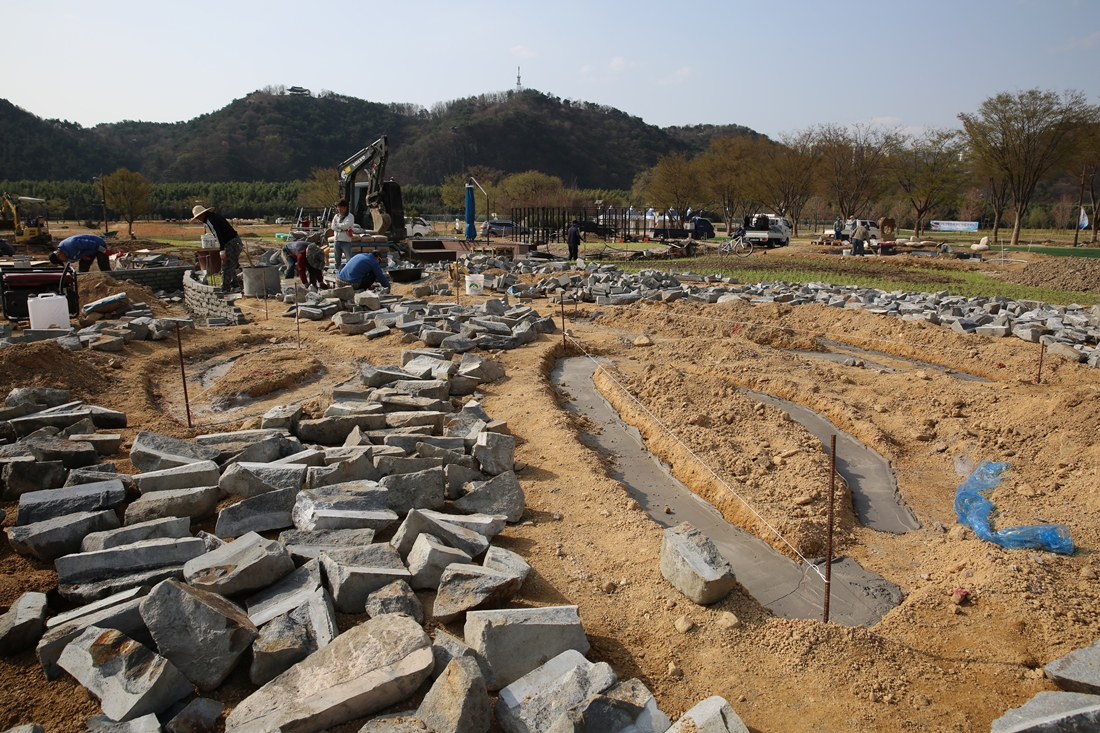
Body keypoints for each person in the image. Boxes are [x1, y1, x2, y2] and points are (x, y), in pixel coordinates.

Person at [190, 205, 242, 293]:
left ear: (202, 215)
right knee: (231, 265)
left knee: (226, 266)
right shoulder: (214, 217)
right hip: (235, 241)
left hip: (230, 243)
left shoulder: (211, 220)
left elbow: (218, 234)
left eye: (198, 217)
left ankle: (225, 288)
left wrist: (222, 249)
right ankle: (235, 285)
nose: (199, 219)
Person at [331, 199, 356, 268]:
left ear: (345, 207)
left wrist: (338, 226)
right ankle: (337, 273)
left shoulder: (350, 216)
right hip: (337, 240)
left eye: (340, 207)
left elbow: (346, 225)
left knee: (349, 259)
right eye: (338, 207)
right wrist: (341, 229)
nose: (339, 209)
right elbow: (332, 226)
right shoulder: (336, 216)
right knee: (337, 260)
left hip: (346, 241)